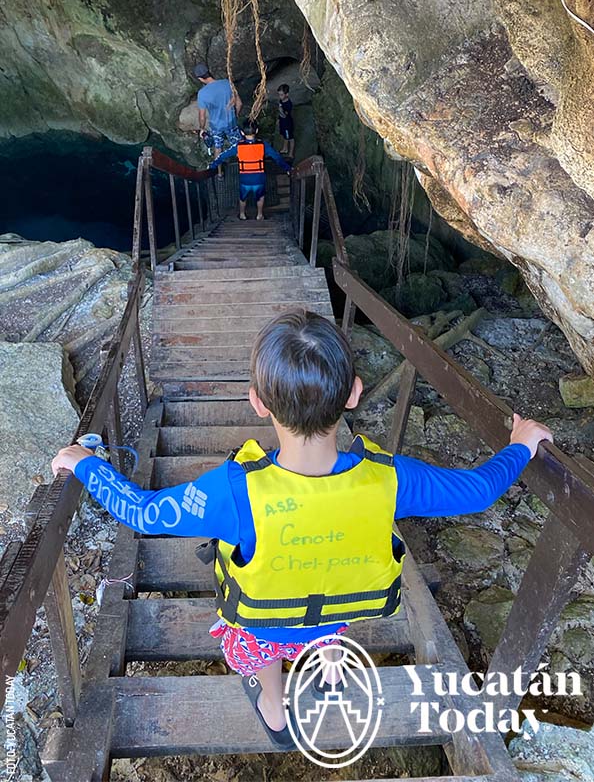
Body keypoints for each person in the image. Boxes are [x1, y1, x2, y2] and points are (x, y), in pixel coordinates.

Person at [52, 311, 553, 750]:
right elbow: (478, 491)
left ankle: (274, 704)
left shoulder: (234, 492)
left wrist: (85, 465)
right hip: (337, 606)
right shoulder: (391, 479)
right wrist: (522, 445)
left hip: (265, 622)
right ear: (354, 393)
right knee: (325, 587)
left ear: (258, 402)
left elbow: (142, 513)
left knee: (259, 639)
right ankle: (329, 662)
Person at [209, 119, 291, 221]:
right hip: (259, 177)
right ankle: (259, 215)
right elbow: (277, 158)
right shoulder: (263, 145)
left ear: (242, 133)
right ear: (256, 131)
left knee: (243, 197)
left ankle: (242, 214)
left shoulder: (238, 146)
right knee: (260, 196)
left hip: (245, 178)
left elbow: (222, 156)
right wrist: (287, 168)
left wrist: (212, 166)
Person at [194, 63, 243, 176]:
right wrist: (235, 116)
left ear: (200, 78)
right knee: (239, 147)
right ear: (209, 71)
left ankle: (219, 173)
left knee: (218, 149)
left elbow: (202, 116)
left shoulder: (202, 93)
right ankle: (243, 168)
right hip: (231, 123)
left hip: (216, 126)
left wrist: (202, 128)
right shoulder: (227, 83)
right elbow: (239, 103)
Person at [277, 83, 294, 160]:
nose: (280, 97)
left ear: (287, 94)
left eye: (281, 95)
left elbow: (284, 115)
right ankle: (285, 148)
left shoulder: (288, 104)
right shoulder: (281, 101)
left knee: (290, 138)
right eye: (279, 95)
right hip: (282, 122)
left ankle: (290, 153)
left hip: (287, 123)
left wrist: (281, 110)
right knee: (284, 136)